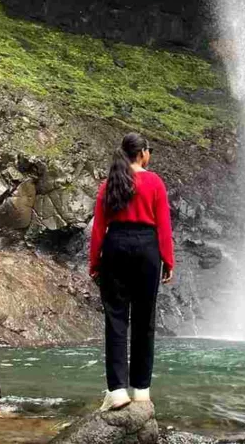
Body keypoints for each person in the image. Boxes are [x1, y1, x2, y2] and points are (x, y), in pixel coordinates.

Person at [89, 132, 174, 411]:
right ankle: (141, 390)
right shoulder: (155, 182)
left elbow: (99, 227)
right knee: (144, 320)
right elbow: (163, 225)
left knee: (116, 319)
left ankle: (116, 391)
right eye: (149, 151)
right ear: (142, 153)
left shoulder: (110, 183)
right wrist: (168, 260)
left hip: (115, 246)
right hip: (147, 248)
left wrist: (94, 262)